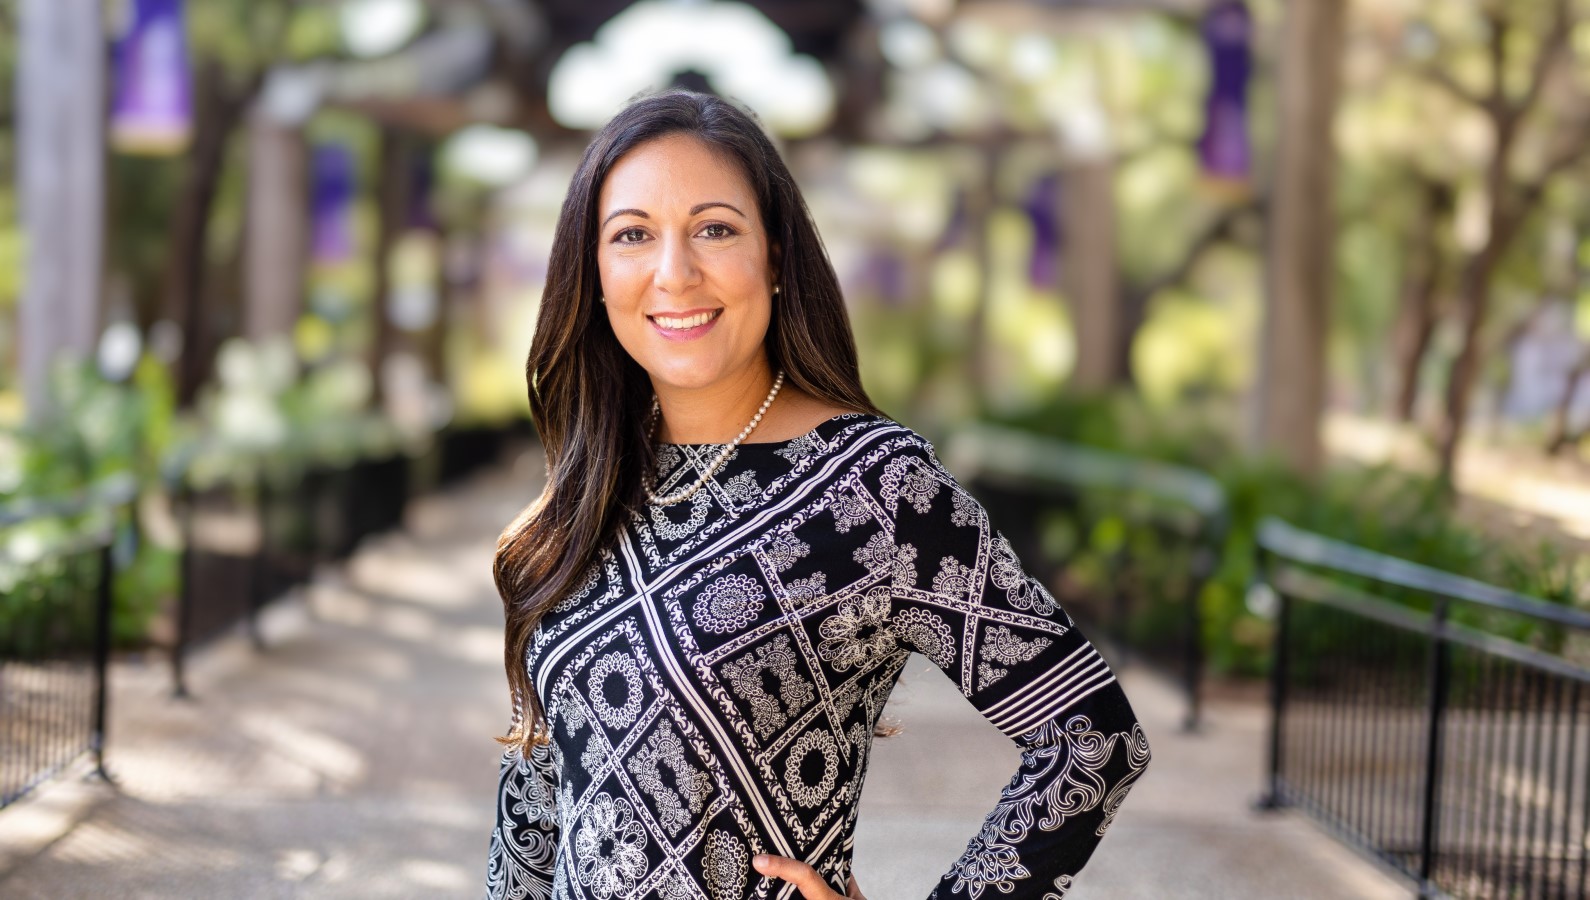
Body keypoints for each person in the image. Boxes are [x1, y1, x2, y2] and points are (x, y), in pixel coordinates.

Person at [485, 89, 1149, 900]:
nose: (675, 272)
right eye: (632, 235)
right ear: (591, 271)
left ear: (774, 256)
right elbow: (542, 789)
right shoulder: (595, 478)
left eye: (715, 229)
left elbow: (1093, 738)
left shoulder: (878, 489)